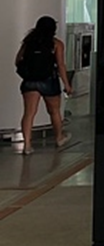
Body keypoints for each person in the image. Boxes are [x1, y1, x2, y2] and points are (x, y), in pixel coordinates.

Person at [14, 16, 72, 154]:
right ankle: (59, 138)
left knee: (29, 114)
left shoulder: (28, 42)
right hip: (48, 81)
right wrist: (67, 84)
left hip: (30, 82)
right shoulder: (56, 44)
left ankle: (27, 145)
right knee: (54, 111)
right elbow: (61, 65)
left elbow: (18, 61)